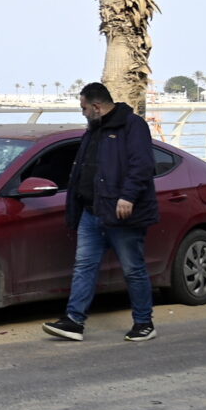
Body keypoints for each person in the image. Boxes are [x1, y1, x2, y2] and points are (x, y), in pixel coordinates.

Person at [41, 81, 158, 343]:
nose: (82, 113)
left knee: (133, 268)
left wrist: (127, 196)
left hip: (121, 214)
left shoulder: (132, 125)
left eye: (83, 108)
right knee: (84, 266)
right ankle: (74, 321)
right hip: (91, 212)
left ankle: (144, 323)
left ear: (96, 106)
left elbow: (142, 164)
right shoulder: (94, 129)